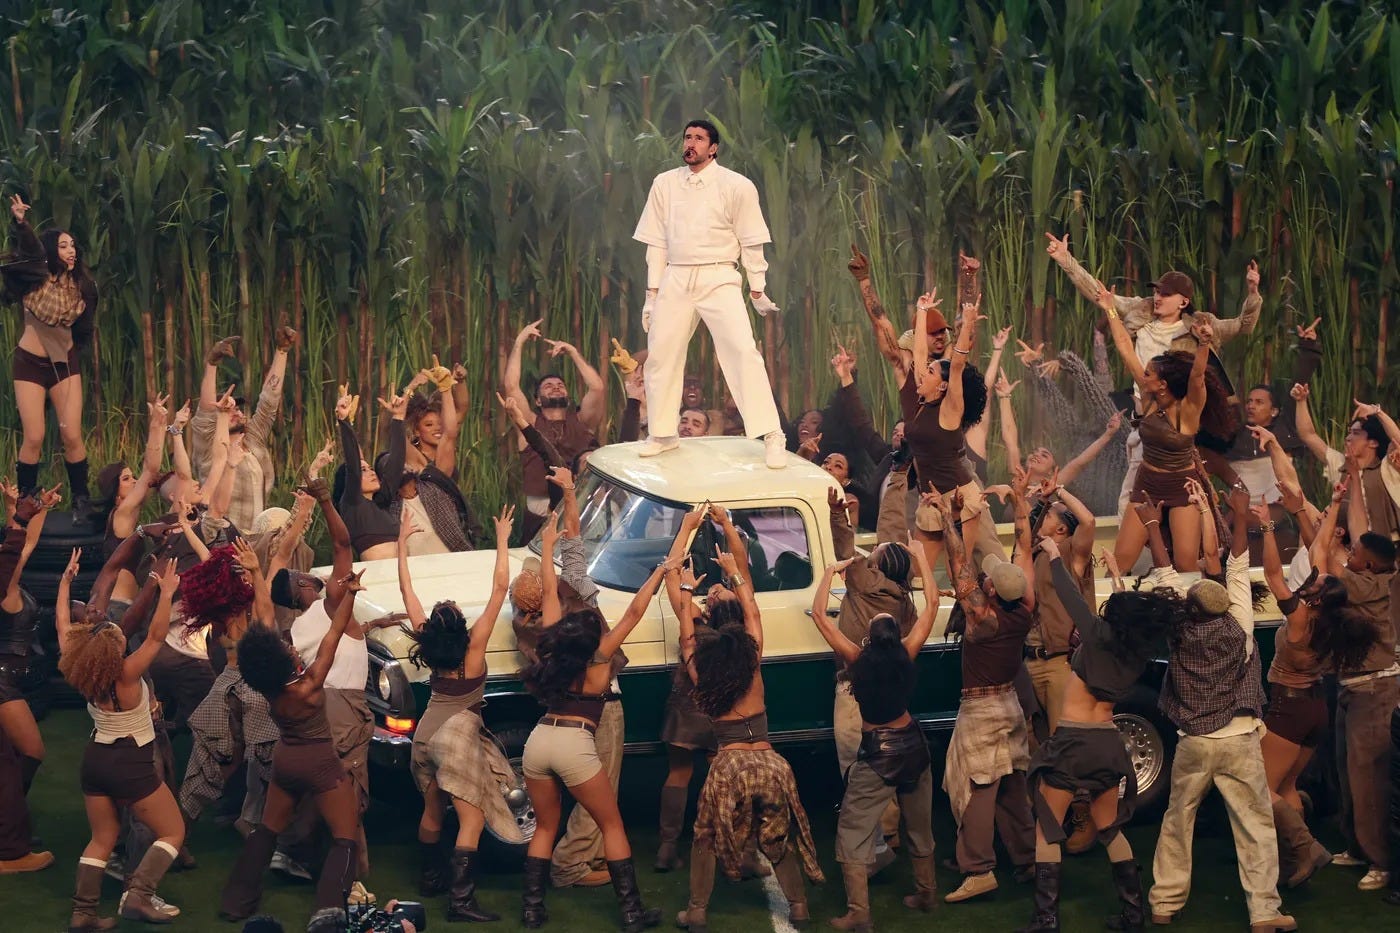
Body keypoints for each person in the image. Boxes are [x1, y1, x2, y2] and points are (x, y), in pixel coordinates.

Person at [1140, 489, 1298, 932]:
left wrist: (1152, 525)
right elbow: (1237, 567)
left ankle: (1164, 903)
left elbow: (1166, 573)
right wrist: (1241, 515)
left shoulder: (1179, 630)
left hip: (1194, 742)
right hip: (1239, 739)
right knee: (1255, 826)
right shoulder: (1240, 626)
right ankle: (1264, 912)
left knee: (1177, 821)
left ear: (1188, 608)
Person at [1017, 534, 1185, 933]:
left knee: (1048, 828)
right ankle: (1133, 913)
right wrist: (1115, 577)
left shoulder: (1095, 635)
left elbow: (1069, 596)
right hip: (1109, 743)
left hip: (1073, 742)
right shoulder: (1136, 653)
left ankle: (1046, 919)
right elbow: (1126, 620)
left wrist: (1054, 556)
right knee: (1109, 828)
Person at [671, 509, 823, 933]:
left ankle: (697, 911)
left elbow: (686, 631)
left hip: (730, 765)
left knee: (704, 836)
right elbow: (752, 609)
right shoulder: (753, 660)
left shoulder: (701, 670)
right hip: (771, 764)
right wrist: (736, 572)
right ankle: (799, 907)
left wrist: (687, 589)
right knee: (776, 836)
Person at [517, 511, 666, 931]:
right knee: (611, 823)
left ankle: (531, 910)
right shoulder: (600, 660)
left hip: (538, 741)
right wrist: (661, 571)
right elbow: (635, 612)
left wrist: (548, 546)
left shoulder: (551, 649)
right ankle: (632, 914)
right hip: (574, 745)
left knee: (545, 827)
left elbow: (550, 590)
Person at [1045, 232, 1261, 511]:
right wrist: (1066, 260)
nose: (1158, 297)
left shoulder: (1200, 325)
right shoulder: (1141, 311)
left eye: (1166, 294)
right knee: (1142, 498)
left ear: (1183, 302)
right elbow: (1101, 297)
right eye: (1157, 291)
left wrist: (1253, 294)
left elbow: (1244, 325)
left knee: (1146, 498)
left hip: (1176, 422)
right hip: (1144, 418)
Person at [631, 119, 788, 469]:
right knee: (661, 354)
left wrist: (757, 288)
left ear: (713, 148)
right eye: (687, 137)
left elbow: (751, 240)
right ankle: (662, 433)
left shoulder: (737, 185)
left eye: (699, 139)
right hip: (676, 275)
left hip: (719, 275)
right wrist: (651, 294)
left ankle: (771, 434)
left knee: (742, 351)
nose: (691, 143)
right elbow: (656, 242)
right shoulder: (665, 183)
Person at [220, 569, 366, 923]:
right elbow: (334, 633)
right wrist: (350, 595)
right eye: (286, 648)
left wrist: (257, 577)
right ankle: (327, 912)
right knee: (345, 838)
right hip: (321, 763)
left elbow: (266, 625)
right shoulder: (310, 685)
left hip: (285, 761)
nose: (289, 646)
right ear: (280, 659)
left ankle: (235, 902)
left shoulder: (268, 687)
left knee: (267, 831)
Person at [813, 540, 940, 930]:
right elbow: (933, 605)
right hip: (914, 746)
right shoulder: (908, 651)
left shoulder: (857, 659)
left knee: (853, 831)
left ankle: (859, 913)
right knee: (919, 827)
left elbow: (819, 615)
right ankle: (926, 893)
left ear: (869, 637)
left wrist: (829, 573)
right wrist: (921, 559)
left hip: (879, 754)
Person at [57, 552, 185, 928]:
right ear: (114, 650)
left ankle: (83, 913)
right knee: (173, 830)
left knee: (103, 837)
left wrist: (64, 584)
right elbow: (157, 636)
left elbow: (63, 627)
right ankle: (140, 896)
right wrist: (167, 594)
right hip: (130, 762)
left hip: (95, 760)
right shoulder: (127, 674)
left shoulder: (81, 671)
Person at [401, 505, 515, 921]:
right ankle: (461, 901)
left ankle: (430, 878)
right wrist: (501, 539)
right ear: (461, 625)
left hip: (425, 735)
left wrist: (401, 544)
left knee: (432, 808)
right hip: (455, 738)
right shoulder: (474, 649)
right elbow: (500, 588)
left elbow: (408, 591)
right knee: (473, 817)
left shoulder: (430, 648)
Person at [1254, 496, 1375, 888]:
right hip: (1315, 709)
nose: (1311, 578)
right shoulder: (1332, 621)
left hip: (1289, 710)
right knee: (1287, 786)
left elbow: (1273, 574)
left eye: (1315, 583)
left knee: (1259, 787)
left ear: (1318, 597)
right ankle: (1296, 863)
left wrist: (1267, 528)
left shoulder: (1301, 619)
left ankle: (1306, 848)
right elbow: (1319, 553)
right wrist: (1334, 505)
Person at [1093, 281, 1237, 571]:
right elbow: (1125, 348)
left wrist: (1204, 344)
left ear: (1162, 383)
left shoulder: (1189, 410)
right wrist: (1110, 310)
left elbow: (1197, 377)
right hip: (1147, 483)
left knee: (1185, 564)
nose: (1142, 376)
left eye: (1148, 374)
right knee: (1119, 563)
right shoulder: (1148, 399)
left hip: (1181, 486)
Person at [937, 483, 1037, 904]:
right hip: (1009, 704)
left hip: (982, 710)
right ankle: (1028, 859)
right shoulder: (1023, 611)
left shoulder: (985, 619)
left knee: (977, 789)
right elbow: (1021, 552)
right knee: (1012, 786)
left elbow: (959, 565)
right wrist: (1019, 506)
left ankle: (978, 869)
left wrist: (948, 518)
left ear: (992, 590)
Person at [825, 485, 919, 872]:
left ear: (879, 565)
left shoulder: (866, 583)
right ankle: (890, 834)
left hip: (855, 691)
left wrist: (838, 515)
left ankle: (874, 849)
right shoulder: (906, 603)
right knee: (887, 762)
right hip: (892, 699)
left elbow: (846, 549)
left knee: (856, 766)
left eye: (876, 552)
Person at [1315, 471, 1400, 893]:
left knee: (1370, 780)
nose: (1350, 553)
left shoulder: (1368, 585)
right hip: (1353, 687)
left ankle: (1381, 859)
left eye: (1356, 552)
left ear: (1367, 564)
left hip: (1375, 691)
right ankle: (1356, 845)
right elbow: (1331, 551)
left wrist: (1330, 509)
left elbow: (1324, 556)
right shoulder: (1366, 576)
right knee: (1348, 774)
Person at [2, 194, 99, 507]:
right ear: (51, 251)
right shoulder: (36, 279)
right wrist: (21, 222)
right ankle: (26, 499)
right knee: (34, 436)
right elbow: (31, 249)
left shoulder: (82, 287)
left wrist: (72, 351)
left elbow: (84, 328)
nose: (71, 251)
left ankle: (81, 498)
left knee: (71, 434)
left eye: (73, 246)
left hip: (64, 364)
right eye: (63, 246)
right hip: (30, 364)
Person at [901, 296, 989, 574]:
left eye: (930, 372)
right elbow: (918, 353)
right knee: (918, 574)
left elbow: (958, 365)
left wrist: (968, 324)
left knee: (958, 573)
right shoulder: (922, 400)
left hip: (958, 498)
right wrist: (922, 311)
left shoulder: (950, 410)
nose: (923, 372)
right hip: (930, 499)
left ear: (942, 386)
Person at [0, 488, 56, 873]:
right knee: (30, 752)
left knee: (23, 755)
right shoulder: (5, 587)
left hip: (11, 680)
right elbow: (17, 551)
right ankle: (9, 837)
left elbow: (24, 545)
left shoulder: (10, 581)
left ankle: (11, 821)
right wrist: (19, 519)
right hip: (3, 681)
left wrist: (37, 511)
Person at [192, 328, 297, 532]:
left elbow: (268, 403)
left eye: (237, 408)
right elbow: (205, 412)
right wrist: (211, 364)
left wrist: (282, 352)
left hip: (257, 537)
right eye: (227, 408)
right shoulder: (209, 448)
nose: (234, 411)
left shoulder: (252, 439)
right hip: (221, 538)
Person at [503, 321, 606, 522]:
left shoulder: (582, 421)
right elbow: (511, 386)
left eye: (560, 385)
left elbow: (597, 388)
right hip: (542, 508)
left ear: (568, 396)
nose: (556, 387)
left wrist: (573, 352)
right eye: (548, 386)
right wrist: (519, 341)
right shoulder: (530, 423)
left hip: (585, 500)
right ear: (537, 401)